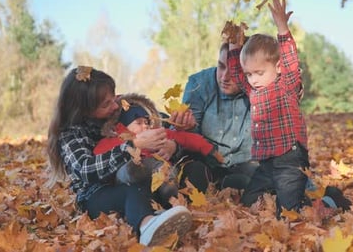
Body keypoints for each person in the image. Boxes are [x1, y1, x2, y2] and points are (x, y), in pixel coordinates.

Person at [226, 0, 351, 216]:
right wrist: (235, 45)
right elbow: (237, 72)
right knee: (250, 203)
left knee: (288, 212)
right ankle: (302, 195)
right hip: (266, 162)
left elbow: (291, 60)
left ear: (277, 67)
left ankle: (331, 201)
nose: (253, 79)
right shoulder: (253, 90)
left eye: (259, 73)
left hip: (289, 157)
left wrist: (282, 27)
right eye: (250, 74)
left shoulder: (285, 84)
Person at [46, 66, 192, 246]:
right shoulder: (71, 134)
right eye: (106, 104)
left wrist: (172, 144)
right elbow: (86, 169)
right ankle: (147, 227)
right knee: (130, 192)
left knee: (159, 176)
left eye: (113, 97)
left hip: (137, 177)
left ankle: (170, 213)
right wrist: (133, 146)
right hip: (97, 194)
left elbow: (158, 123)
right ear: (84, 110)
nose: (115, 105)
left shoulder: (120, 108)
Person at [93, 93, 224, 208]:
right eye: (139, 123)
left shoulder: (156, 134)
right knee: (129, 169)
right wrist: (133, 146)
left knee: (160, 166)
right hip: (131, 182)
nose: (145, 125)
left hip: (158, 174)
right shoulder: (116, 140)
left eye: (147, 122)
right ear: (121, 126)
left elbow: (185, 138)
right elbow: (99, 154)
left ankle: (170, 196)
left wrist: (210, 150)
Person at [181, 42, 258, 191]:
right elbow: (185, 140)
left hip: (244, 164)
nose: (224, 77)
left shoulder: (259, 88)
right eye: (221, 66)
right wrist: (189, 129)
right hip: (205, 163)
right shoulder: (199, 84)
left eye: (234, 71)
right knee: (193, 173)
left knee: (261, 179)